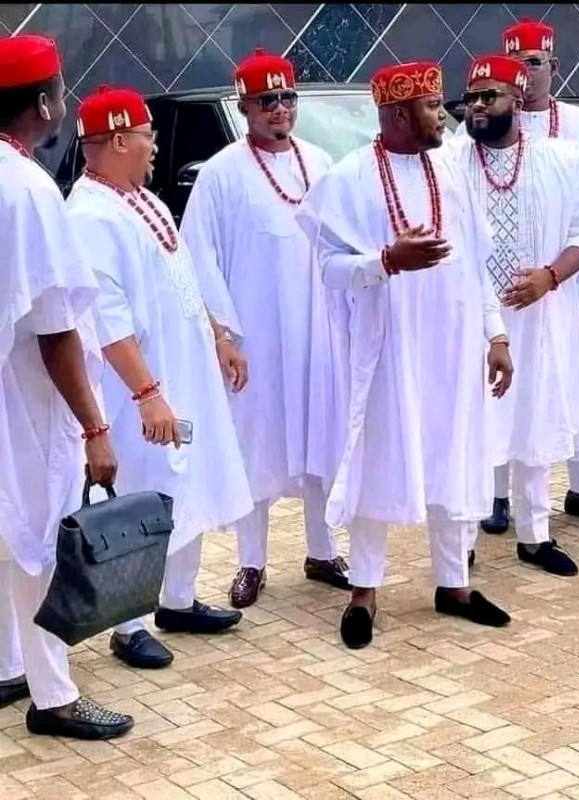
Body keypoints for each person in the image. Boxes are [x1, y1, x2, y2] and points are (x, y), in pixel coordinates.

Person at [296, 60, 515, 650]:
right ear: (396, 114)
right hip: (387, 352)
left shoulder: (452, 171)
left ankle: (454, 584)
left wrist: (495, 335)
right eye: (431, 106)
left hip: (452, 348)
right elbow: (330, 270)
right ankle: (364, 590)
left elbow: (474, 264)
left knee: (454, 455)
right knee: (378, 460)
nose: (444, 115)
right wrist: (387, 261)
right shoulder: (349, 178)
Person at [67, 85, 255, 669]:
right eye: (148, 136)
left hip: (183, 373)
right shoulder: (91, 216)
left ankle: (176, 599)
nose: (155, 146)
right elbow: (109, 322)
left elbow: (183, 280)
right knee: (140, 499)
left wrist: (218, 337)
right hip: (138, 389)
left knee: (184, 486)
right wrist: (147, 394)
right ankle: (129, 625)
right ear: (119, 139)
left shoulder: (140, 199)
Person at [180, 48, 349, 609]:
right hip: (256, 339)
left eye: (287, 98)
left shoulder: (320, 162)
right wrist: (224, 334)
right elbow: (198, 256)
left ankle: (322, 551)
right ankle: (251, 562)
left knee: (322, 435)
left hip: (318, 332)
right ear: (245, 107)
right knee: (255, 446)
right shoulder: (221, 173)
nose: (279, 108)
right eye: (267, 100)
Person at [0, 35, 133, 739]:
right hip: (21, 402)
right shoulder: (27, 188)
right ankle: (52, 697)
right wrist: (96, 428)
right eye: (60, 88)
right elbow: (56, 332)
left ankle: (8, 664)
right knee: (36, 540)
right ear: (45, 104)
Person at [457, 18, 579, 532]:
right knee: (489, 400)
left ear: (553, 64)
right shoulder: (460, 151)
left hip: (562, 294)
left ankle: (569, 499)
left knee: (554, 396)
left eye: (534, 64)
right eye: (517, 66)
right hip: (484, 307)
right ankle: (492, 502)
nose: (526, 75)